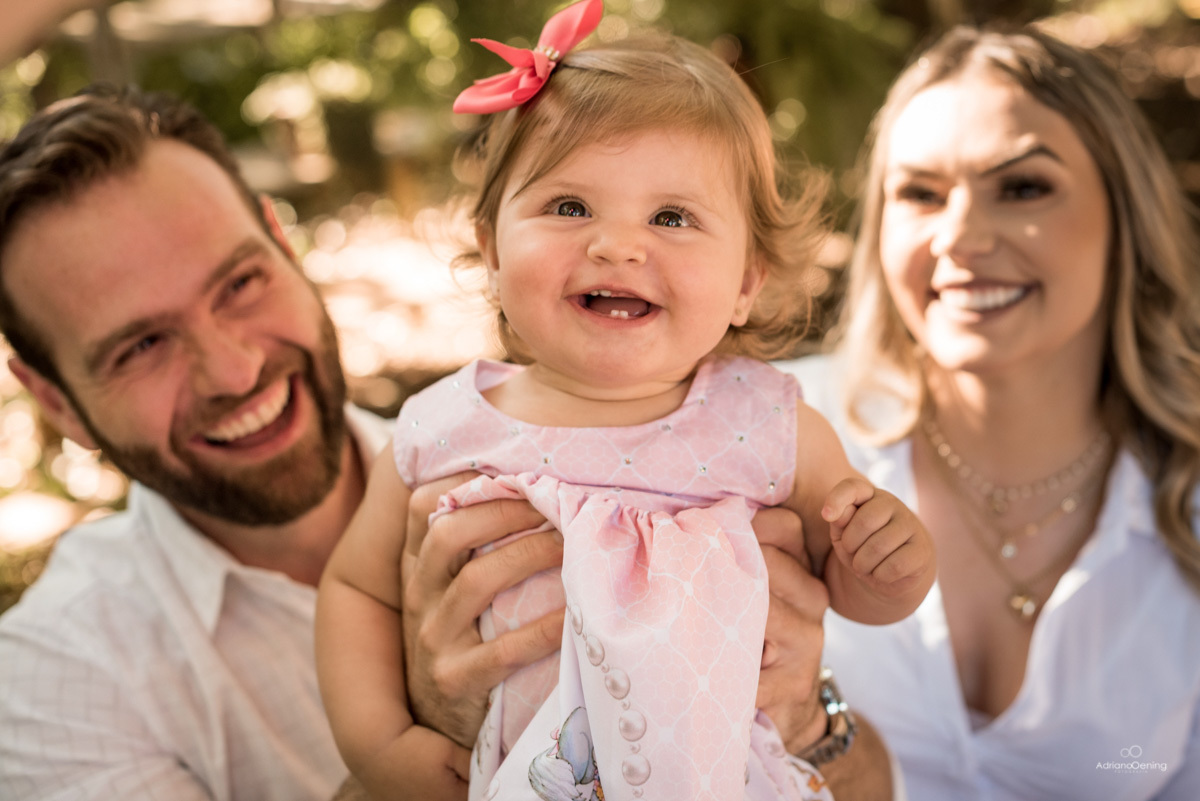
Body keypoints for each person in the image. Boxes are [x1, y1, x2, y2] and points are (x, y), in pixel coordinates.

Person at [0, 86, 895, 800]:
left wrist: (806, 716)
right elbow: (360, 593)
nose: (232, 369)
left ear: (282, 242)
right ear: (52, 401)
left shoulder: (740, 429)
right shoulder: (57, 684)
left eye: (238, 282)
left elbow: (880, 777)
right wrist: (398, 752)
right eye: (140, 345)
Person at [315, 2, 935, 799]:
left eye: (671, 216)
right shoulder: (444, 427)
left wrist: (889, 567)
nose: (617, 244)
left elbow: (842, 588)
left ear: (746, 281)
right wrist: (382, 745)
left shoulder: (769, 425)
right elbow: (358, 590)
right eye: (569, 207)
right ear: (492, 247)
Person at [770, 23, 1200, 799]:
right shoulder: (760, 431)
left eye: (1023, 187)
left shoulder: (1186, 499)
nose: (961, 236)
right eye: (920, 194)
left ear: (1124, 214)